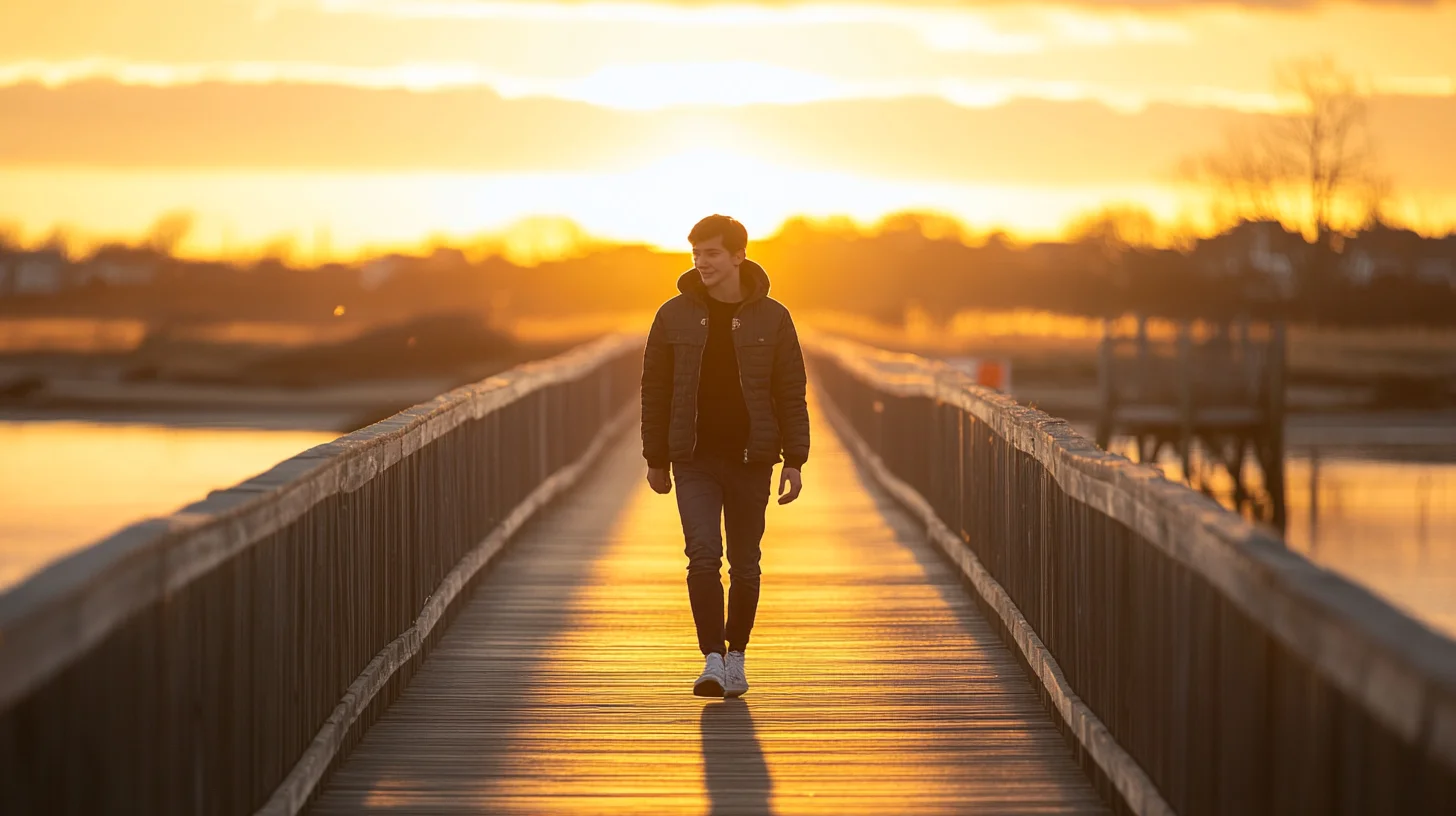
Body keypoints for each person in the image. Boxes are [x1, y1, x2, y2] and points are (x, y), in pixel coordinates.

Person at [640, 214, 810, 698]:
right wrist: (655, 457)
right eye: (696, 254)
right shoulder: (671, 315)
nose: (702, 263)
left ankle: (738, 657)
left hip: (752, 458)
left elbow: (790, 391)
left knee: (745, 563)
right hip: (692, 458)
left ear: (739, 255)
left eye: (711, 254)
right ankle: (711, 658)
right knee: (702, 556)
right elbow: (654, 389)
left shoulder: (774, 317)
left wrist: (795, 459)